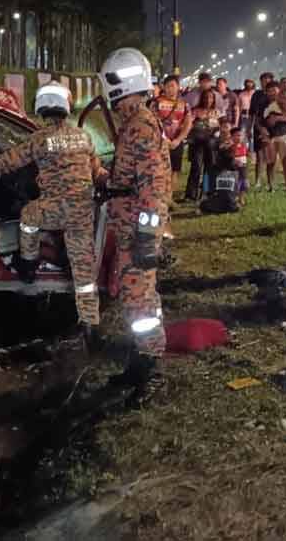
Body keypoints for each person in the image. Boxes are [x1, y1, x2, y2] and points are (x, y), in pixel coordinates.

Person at [0, 82, 102, 327]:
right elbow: (96, 169)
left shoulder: (39, 139)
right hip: (83, 211)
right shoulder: (83, 136)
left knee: (28, 215)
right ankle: (90, 323)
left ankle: (28, 264)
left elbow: (8, 162)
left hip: (55, 210)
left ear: (41, 108)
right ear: (66, 106)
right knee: (84, 274)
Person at [99, 47, 170, 358]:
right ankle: (143, 357)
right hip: (132, 226)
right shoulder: (135, 123)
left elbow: (154, 190)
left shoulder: (139, 125)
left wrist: (145, 238)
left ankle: (149, 365)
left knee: (139, 301)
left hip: (137, 230)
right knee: (138, 298)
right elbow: (131, 181)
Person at [151, 75, 193, 204]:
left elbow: (188, 123)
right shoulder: (156, 102)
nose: (170, 89)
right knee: (159, 170)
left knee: (175, 170)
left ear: (178, 87)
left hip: (176, 143)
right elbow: (153, 122)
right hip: (159, 143)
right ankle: (159, 197)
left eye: (173, 86)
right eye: (167, 86)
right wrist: (164, 139)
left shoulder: (184, 105)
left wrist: (178, 140)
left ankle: (169, 198)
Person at [257, 81, 286, 191]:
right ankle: (271, 186)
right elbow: (264, 121)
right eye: (269, 91)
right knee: (271, 162)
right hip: (270, 136)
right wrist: (264, 130)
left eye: (274, 90)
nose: (272, 93)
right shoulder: (266, 105)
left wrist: (279, 118)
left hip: (284, 136)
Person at [185, 87, 221, 201]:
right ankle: (191, 194)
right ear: (202, 98)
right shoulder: (195, 111)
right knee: (196, 167)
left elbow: (220, 127)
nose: (208, 100)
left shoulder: (216, 112)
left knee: (209, 168)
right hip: (197, 143)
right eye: (206, 97)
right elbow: (189, 124)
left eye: (211, 97)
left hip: (211, 144)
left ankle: (206, 192)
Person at [249, 72, 276, 187]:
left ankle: (271, 182)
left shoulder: (276, 96)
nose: (265, 82)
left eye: (267, 80)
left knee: (271, 156)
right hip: (259, 128)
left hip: (273, 129)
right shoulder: (257, 95)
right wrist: (252, 128)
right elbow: (252, 113)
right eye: (263, 80)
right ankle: (258, 180)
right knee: (259, 155)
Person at [230, 126, 250, 207]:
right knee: (236, 184)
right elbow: (231, 157)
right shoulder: (231, 147)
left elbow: (246, 155)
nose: (239, 137)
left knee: (244, 184)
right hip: (235, 169)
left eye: (240, 135)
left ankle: (241, 198)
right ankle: (234, 198)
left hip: (243, 168)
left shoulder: (244, 146)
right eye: (237, 135)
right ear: (232, 137)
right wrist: (235, 161)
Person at [238, 79, 255, 150]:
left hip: (253, 116)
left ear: (253, 84)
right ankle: (243, 151)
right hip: (243, 116)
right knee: (242, 134)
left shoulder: (255, 93)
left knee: (251, 134)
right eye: (247, 83)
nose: (249, 85)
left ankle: (251, 151)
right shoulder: (241, 94)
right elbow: (239, 106)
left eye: (250, 83)